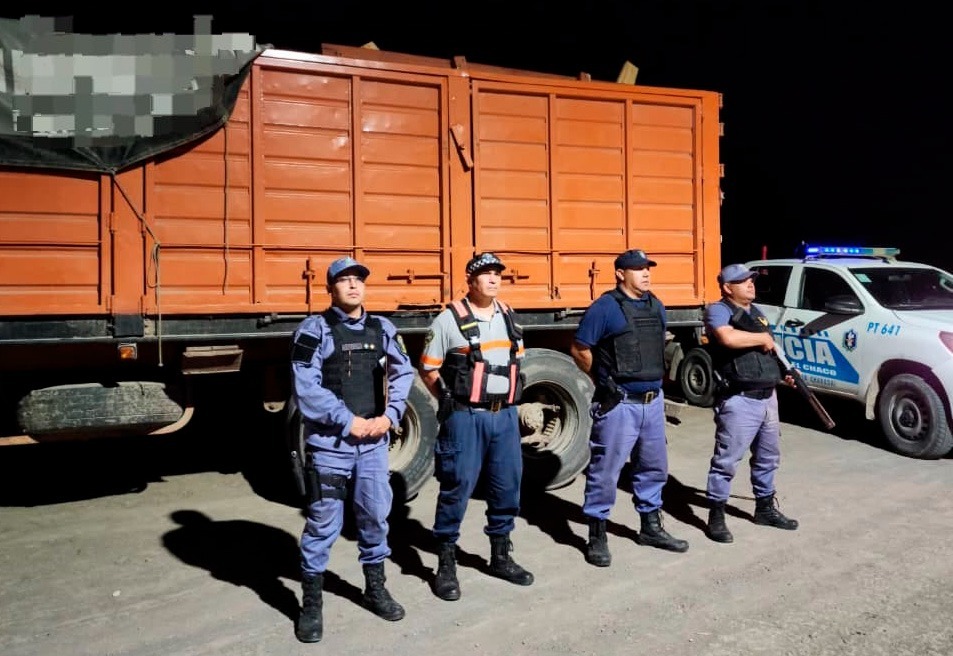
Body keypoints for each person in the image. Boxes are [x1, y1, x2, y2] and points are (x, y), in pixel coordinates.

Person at [289, 256, 415, 643]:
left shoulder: (383, 328)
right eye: (344, 280)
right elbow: (306, 387)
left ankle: (375, 589)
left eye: (358, 279)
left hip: (373, 444)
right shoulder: (313, 330)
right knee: (323, 524)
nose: (353, 285)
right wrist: (347, 421)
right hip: (331, 445)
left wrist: (391, 415)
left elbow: (403, 371)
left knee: (375, 516)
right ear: (331, 288)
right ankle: (311, 606)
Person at [419, 252, 534, 601]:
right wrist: (448, 400)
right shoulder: (448, 320)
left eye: (497, 273)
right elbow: (428, 369)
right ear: (470, 281)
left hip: (505, 417)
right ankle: (446, 564)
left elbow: (517, 361)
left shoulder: (509, 316)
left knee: (507, 487)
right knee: (457, 486)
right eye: (486, 274)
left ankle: (500, 556)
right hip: (466, 417)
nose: (493, 279)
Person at [570, 249, 689, 567]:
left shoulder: (656, 305)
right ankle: (596, 535)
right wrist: (603, 381)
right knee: (605, 471)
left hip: (653, 403)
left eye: (648, 268)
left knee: (653, 468)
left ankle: (650, 527)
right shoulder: (605, 307)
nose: (646, 273)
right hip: (620, 404)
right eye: (638, 269)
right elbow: (579, 348)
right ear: (620, 274)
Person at [703, 263, 799, 544]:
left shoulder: (757, 313)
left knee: (768, 458)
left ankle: (765, 508)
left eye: (752, 280)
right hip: (739, 399)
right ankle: (716, 516)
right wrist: (761, 338)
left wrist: (785, 372)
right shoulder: (719, 310)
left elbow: (770, 350)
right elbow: (726, 337)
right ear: (727, 287)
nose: (750, 284)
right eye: (743, 281)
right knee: (726, 461)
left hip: (767, 396)